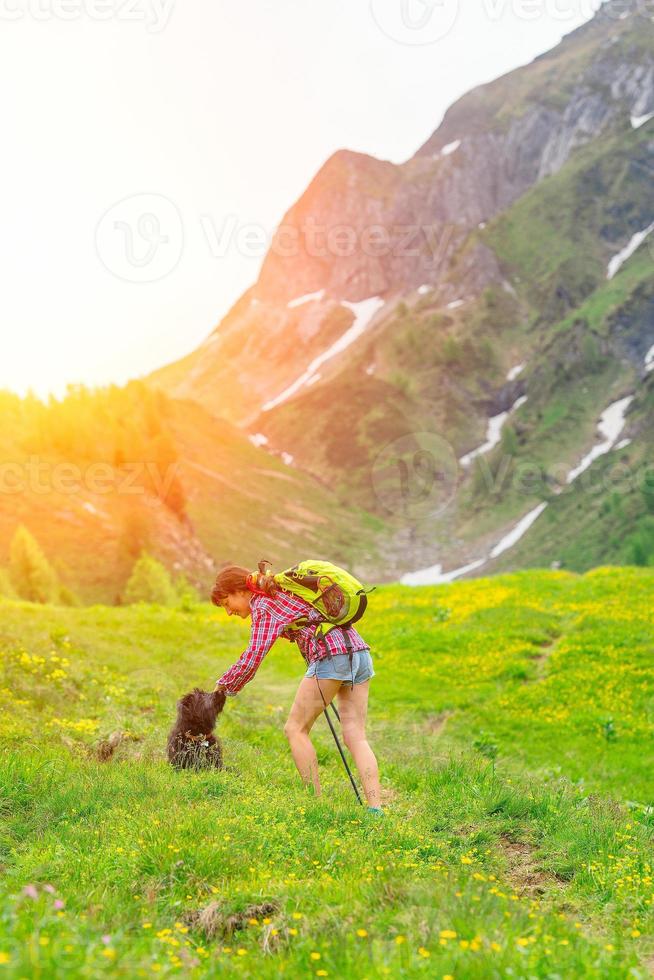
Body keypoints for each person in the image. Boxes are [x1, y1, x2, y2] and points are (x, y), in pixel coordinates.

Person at [211, 564, 383, 812]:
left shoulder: (264, 604)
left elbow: (254, 655)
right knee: (356, 735)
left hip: (331, 655)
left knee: (295, 729)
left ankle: (315, 805)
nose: (228, 612)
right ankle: (375, 808)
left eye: (226, 602)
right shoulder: (283, 590)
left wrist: (223, 685)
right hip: (359, 653)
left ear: (239, 591)